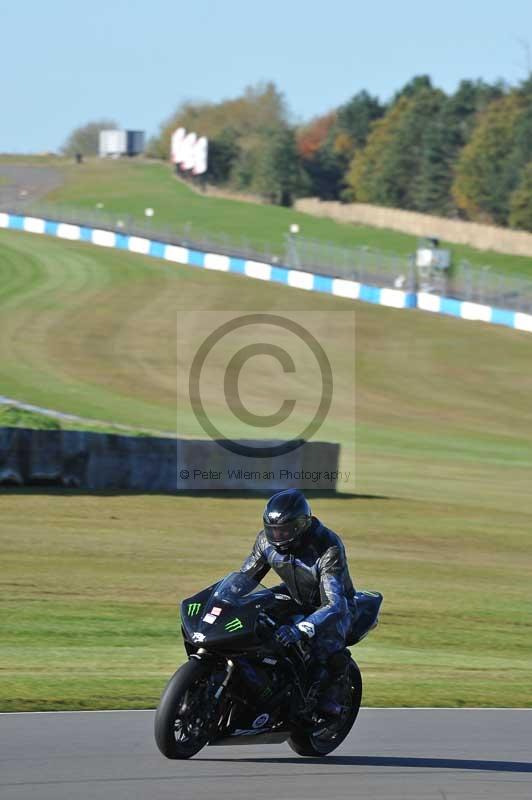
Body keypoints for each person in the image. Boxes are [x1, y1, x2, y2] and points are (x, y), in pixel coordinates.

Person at [240, 488, 358, 715]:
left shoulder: (327, 546)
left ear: (301, 525)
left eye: (284, 531)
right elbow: (244, 579)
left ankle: (334, 689)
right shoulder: (265, 542)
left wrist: (299, 630)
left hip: (335, 605)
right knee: (256, 614)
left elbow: (334, 602)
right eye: (273, 530)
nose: (278, 537)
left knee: (324, 643)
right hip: (295, 596)